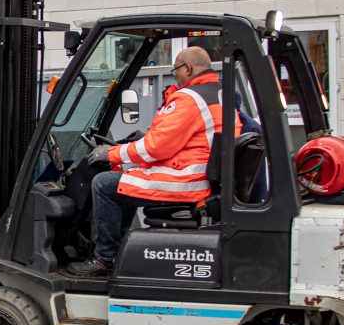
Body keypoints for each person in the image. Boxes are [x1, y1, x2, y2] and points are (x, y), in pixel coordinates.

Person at [67, 47, 232, 277]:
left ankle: (104, 258)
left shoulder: (188, 98)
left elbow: (155, 147)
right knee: (128, 179)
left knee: (104, 184)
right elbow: (186, 139)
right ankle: (120, 249)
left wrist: (111, 154)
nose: (175, 75)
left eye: (176, 70)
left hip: (186, 180)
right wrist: (143, 139)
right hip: (199, 176)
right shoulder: (217, 94)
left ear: (188, 68)